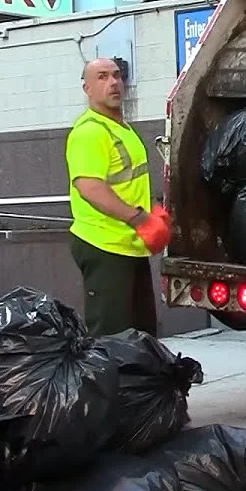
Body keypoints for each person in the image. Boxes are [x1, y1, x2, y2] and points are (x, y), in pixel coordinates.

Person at [65, 57, 172, 336]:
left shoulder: (120, 128)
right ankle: (109, 382)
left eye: (116, 76)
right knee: (110, 336)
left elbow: (128, 182)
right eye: (102, 77)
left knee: (140, 333)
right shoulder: (90, 131)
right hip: (104, 245)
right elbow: (89, 187)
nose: (113, 83)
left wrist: (152, 209)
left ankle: (141, 380)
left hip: (128, 244)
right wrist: (140, 218)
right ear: (87, 88)